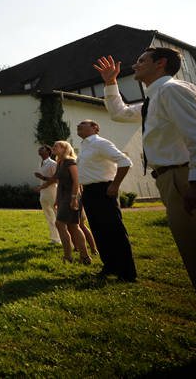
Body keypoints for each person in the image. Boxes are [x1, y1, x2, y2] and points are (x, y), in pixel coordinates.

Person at [96, 49, 196, 365]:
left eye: (141, 60)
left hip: (186, 178)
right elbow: (118, 113)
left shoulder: (172, 89)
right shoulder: (152, 100)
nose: (135, 64)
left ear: (161, 63)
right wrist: (109, 83)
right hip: (173, 181)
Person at [75, 119, 136, 281]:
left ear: (95, 128)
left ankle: (127, 273)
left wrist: (115, 185)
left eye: (83, 124)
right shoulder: (84, 146)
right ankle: (110, 267)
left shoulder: (100, 143)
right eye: (77, 125)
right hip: (89, 192)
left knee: (114, 232)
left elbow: (125, 162)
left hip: (104, 190)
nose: (78, 126)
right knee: (99, 231)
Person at [45, 141, 92, 265]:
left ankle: (71, 256)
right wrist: (57, 199)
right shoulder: (59, 163)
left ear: (64, 149)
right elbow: (59, 182)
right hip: (62, 197)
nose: (53, 147)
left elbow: (77, 181)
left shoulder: (70, 161)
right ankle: (83, 257)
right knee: (72, 226)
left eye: (56, 146)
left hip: (71, 195)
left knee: (62, 224)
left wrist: (74, 198)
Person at [34, 145, 61, 244]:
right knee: (49, 216)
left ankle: (66, 238)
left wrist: (43, 177)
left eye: (42, 148)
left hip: (52, 192)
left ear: (48, 152)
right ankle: (55, 238)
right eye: (39, 148)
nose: (39, 149)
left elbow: (57, 180)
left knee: (57, 215)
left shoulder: (52, 164)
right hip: (43, 193)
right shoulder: (40, 164)